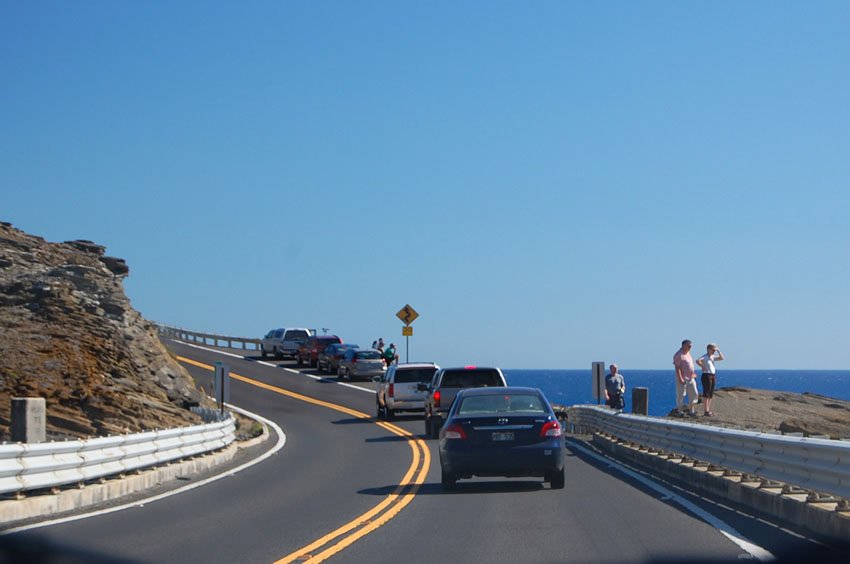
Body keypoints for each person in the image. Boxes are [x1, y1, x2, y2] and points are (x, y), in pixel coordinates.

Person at [697, 343, 725, 417]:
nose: (713, 351)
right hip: (706, 375)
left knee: (710, 393)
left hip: (712, 375)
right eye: (712, 350)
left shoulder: (712, 357)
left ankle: (708, 410)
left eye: (714, 350)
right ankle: (706, 411)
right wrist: (702, 366)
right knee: (706, 393)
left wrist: (718, 351)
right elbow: (698, 360)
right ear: (708, 349)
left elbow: (722, 358)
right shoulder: (705, 357)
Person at [673, 339, 699, 417]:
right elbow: (677, 368)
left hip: (691, 378)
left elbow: (690, 365)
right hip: (683, 378)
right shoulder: (678, 355)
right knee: (681, 395)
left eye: (691, 346)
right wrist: (680, 378)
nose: (690, 347)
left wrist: (693, 373)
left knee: (694, 394)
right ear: (684, 345)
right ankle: (680, 412)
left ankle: (692, 411)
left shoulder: (688, 353)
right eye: (689, 345)